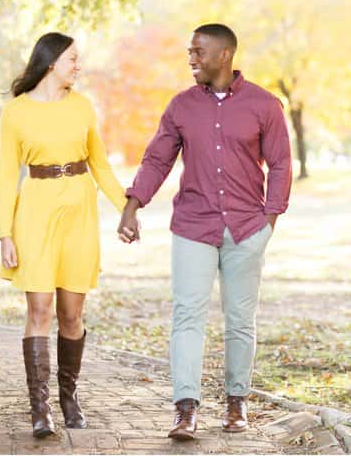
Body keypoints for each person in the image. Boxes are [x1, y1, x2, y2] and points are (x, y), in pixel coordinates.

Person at [116, 23, 292, 440]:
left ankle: (236, 401)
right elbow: (157, 159)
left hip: (247, 229)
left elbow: (282, 165)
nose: (191, 57)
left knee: (239, 321)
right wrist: (132, 205)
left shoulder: (265, 105)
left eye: (198, 51)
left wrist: (269, 221)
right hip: (193, 227)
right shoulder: (180, 107)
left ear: (225, 55)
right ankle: (186, 409)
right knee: (187, 316)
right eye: (189, 51)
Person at [0, 32, 132, 437]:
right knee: (39, 310)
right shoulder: (16, 112)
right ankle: (40, 409)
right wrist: (5, 233)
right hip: (35, 212)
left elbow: (100, 166)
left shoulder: (82, 107)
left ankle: (68, 396)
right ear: (52, 61)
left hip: (78, 212)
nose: (79, 65)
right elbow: (7, 178)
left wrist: (126, 207)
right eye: (73, 58)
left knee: (72, 314)